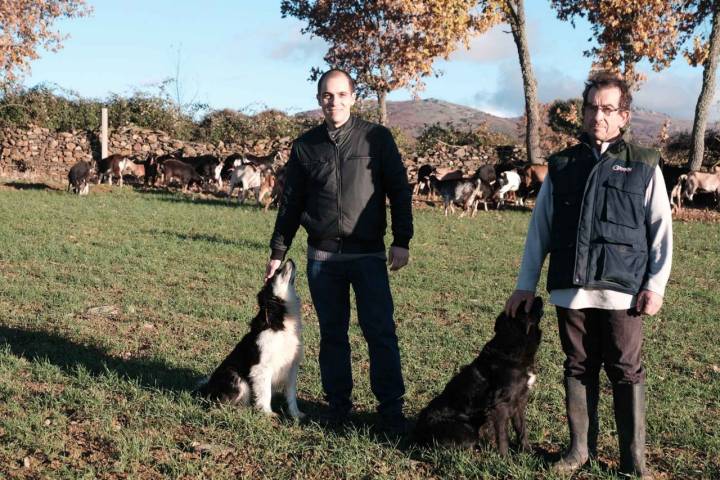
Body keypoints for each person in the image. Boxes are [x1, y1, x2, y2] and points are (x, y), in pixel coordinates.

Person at [504, 72, 672, 478]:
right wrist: (525, 284)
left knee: (626, 370)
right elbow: (539, 230)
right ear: (583, 112)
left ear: (623, 116)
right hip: (571, 289)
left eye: (608, 108)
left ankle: (635, 462)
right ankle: (579, 450)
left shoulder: (645, 164)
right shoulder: (562, 165)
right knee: (577, 365)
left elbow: (661, 229)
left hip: (622, 292)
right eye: (592, 107)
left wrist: (655, 285)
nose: (599, 115)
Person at [265, 68, 413, 433]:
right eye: (328, 95)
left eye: (341, 94)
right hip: (323, 259)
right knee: (333, 334)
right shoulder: (304, 147)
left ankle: (391, 410)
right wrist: (277, 250)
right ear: (319, 99)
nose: (335, 101)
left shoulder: (376, 139)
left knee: (380, 331)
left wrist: (401, 239)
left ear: (353, 96)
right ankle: (338, 407)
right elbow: (291, 203)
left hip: (368, 256)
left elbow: (399, 189)